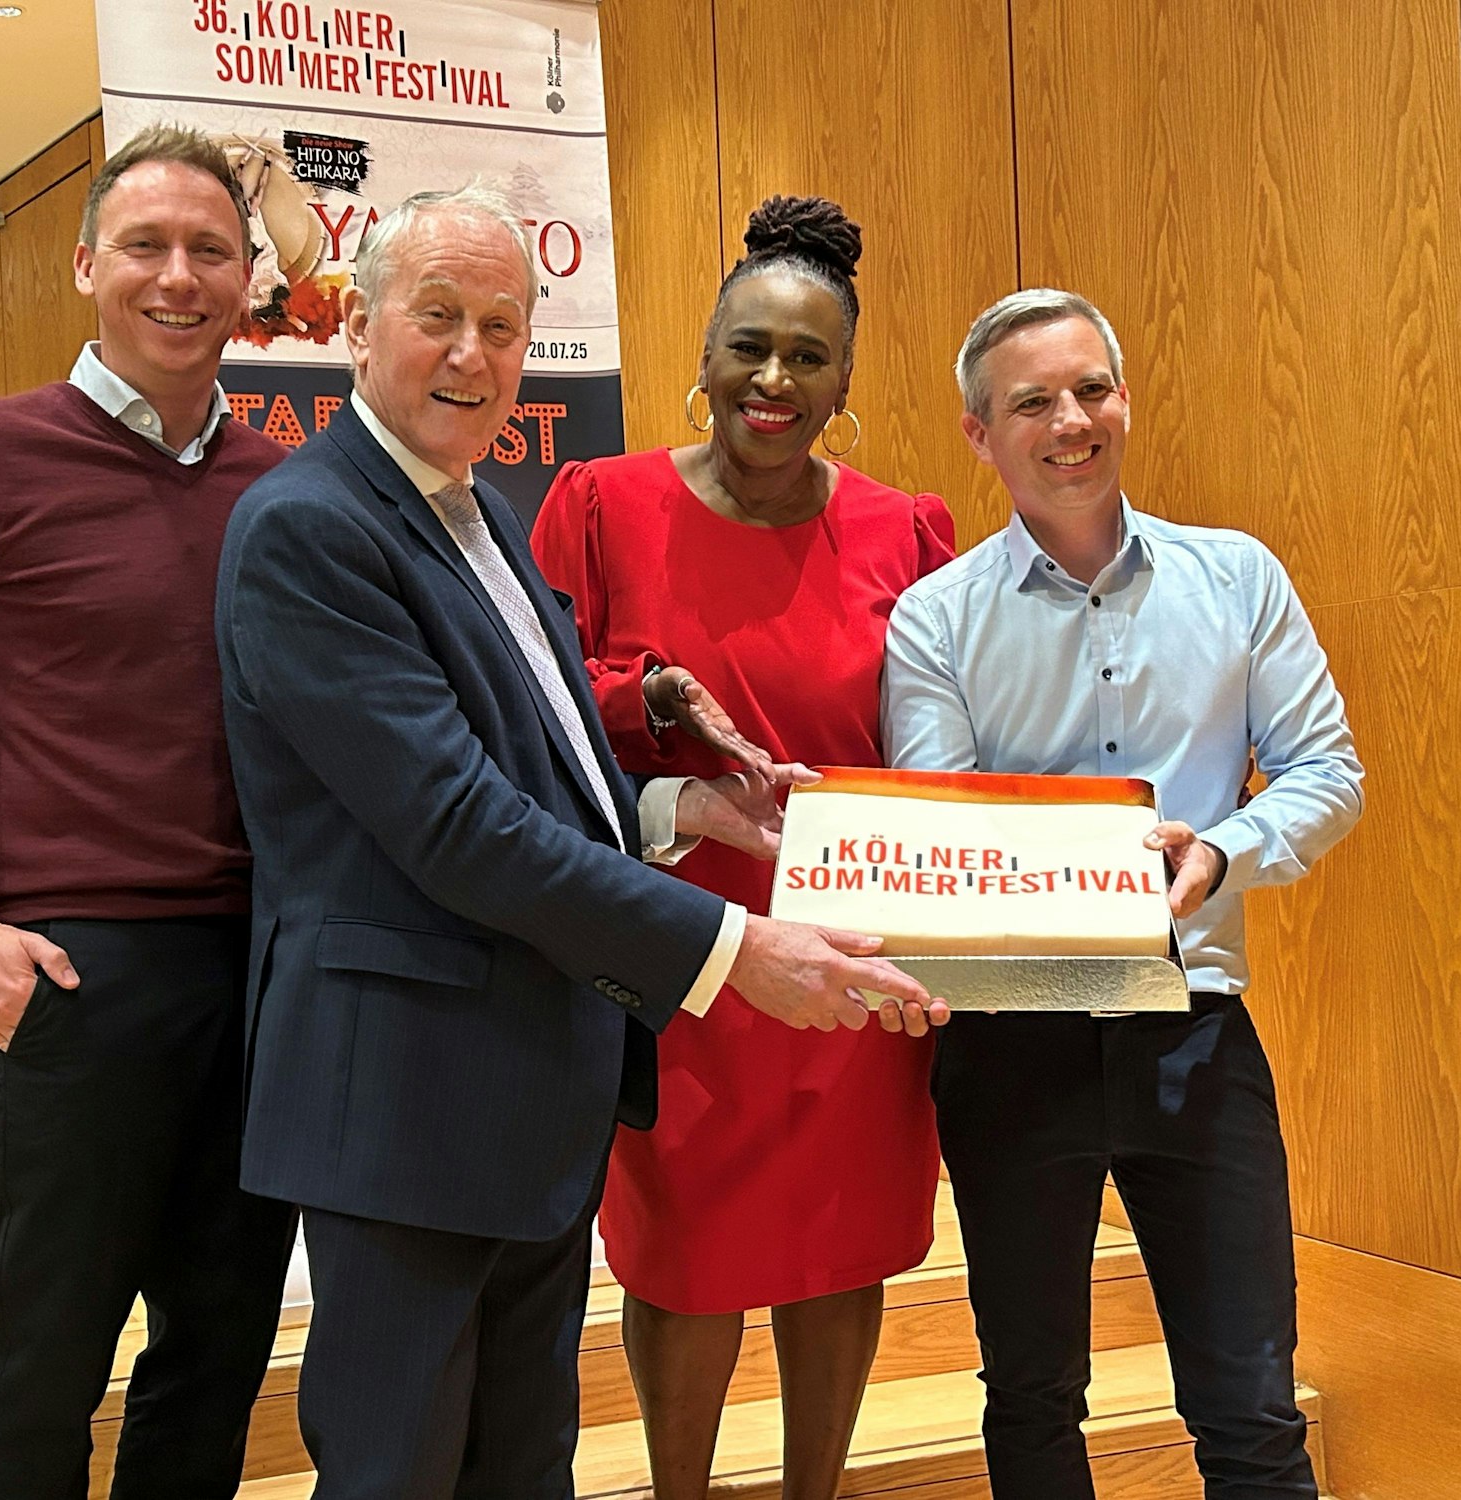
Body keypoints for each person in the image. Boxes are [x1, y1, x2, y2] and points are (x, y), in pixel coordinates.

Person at [214, 183, 944, 1500]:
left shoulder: (482, 515)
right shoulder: (313, 526)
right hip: (408, 1103)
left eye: (502, 324)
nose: (473, 354)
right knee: (396, 1472)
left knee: (516, 1468)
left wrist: (677, 810)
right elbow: (458, 824)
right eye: (438, 317)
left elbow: (547, 776)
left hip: (528, 1089)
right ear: (359, 328)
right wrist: (730, 944)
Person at [0, 126, 298, 1500]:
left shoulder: (282, 486)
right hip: (68, 971)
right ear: (89, 264)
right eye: (148, 247)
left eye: (209, 250)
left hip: (260, 971)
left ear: (248, 277)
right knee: (45, 1355)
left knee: (218, 1355)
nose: (179, 276)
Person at [882, 288, 1364, 1499]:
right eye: (1030, 401)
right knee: (1031, 1402)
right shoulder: (933, 618)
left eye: (1090, 388)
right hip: (1010, 1044)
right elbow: (937, 824)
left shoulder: (1236, 576)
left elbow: (1326, 771)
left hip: (1191, 1028)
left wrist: (1220, 851)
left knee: (1250, 1406)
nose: (1069, 421)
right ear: (976, 434)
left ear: (1124, 398)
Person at [530, 194, 954, 1499]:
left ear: (845, 383)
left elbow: (943, 741)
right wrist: (638, 698)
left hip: (851, 963)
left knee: (842, 1253)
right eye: (749, 348)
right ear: (705, 356)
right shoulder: (594, 505)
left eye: (808, 357)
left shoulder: (909, 530)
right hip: (677, 963)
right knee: (685, 1259)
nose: (774, 380)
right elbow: (536, 714)